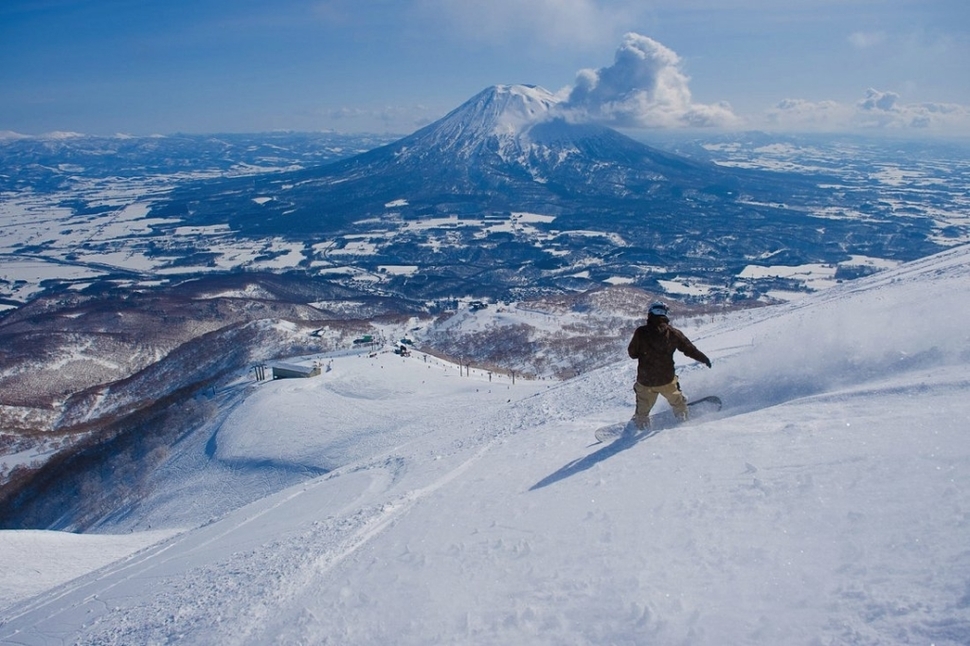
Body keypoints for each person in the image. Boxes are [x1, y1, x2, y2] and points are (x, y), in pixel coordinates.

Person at [627, 301, 712, 431]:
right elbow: (689, 349)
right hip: (667, 379)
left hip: (645, 381)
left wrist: (644, 352)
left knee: (642, 411)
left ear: (650, 314)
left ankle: (640, 427)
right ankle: (683, 422)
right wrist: (704, 359)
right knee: (678, 402)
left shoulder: (641, 332)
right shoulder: (673, 333)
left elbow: (632, 353)